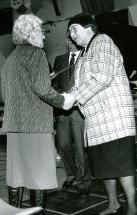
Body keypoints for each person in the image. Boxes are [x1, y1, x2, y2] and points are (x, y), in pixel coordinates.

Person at [62, 14, 137, 215]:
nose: (71, 34)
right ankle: (114, 203)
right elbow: (83, 83)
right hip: (97, 121)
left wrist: (73, 97)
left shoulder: (102, 41)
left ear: (90, 28)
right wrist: (70, 96)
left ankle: (133, 208)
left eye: (74, 28)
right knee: (105, 166)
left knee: (120, 165)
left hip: (114, 118)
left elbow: (103, 76)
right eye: (70, 31)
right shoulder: (85, 52)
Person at [1, 13, 71, 215]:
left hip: (14, 124)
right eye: (41, 31)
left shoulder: (10, 59)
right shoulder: (37, 53)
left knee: (17, 175)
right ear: (30, 33)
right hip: (35, 125)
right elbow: (42, 89)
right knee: (39, 176)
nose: (43, 35)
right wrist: (63, 101)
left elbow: (7, 94)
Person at [52, 35, 91, 195]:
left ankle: (83, 180)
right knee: (63, 144)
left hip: (79, 110)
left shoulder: (87, 57)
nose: (70, 42)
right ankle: (71, 175)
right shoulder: (59, 59)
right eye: (67, 39)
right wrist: (61, 94)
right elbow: (54, 83)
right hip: (62, 110)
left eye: (73, 39)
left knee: (81, 148)